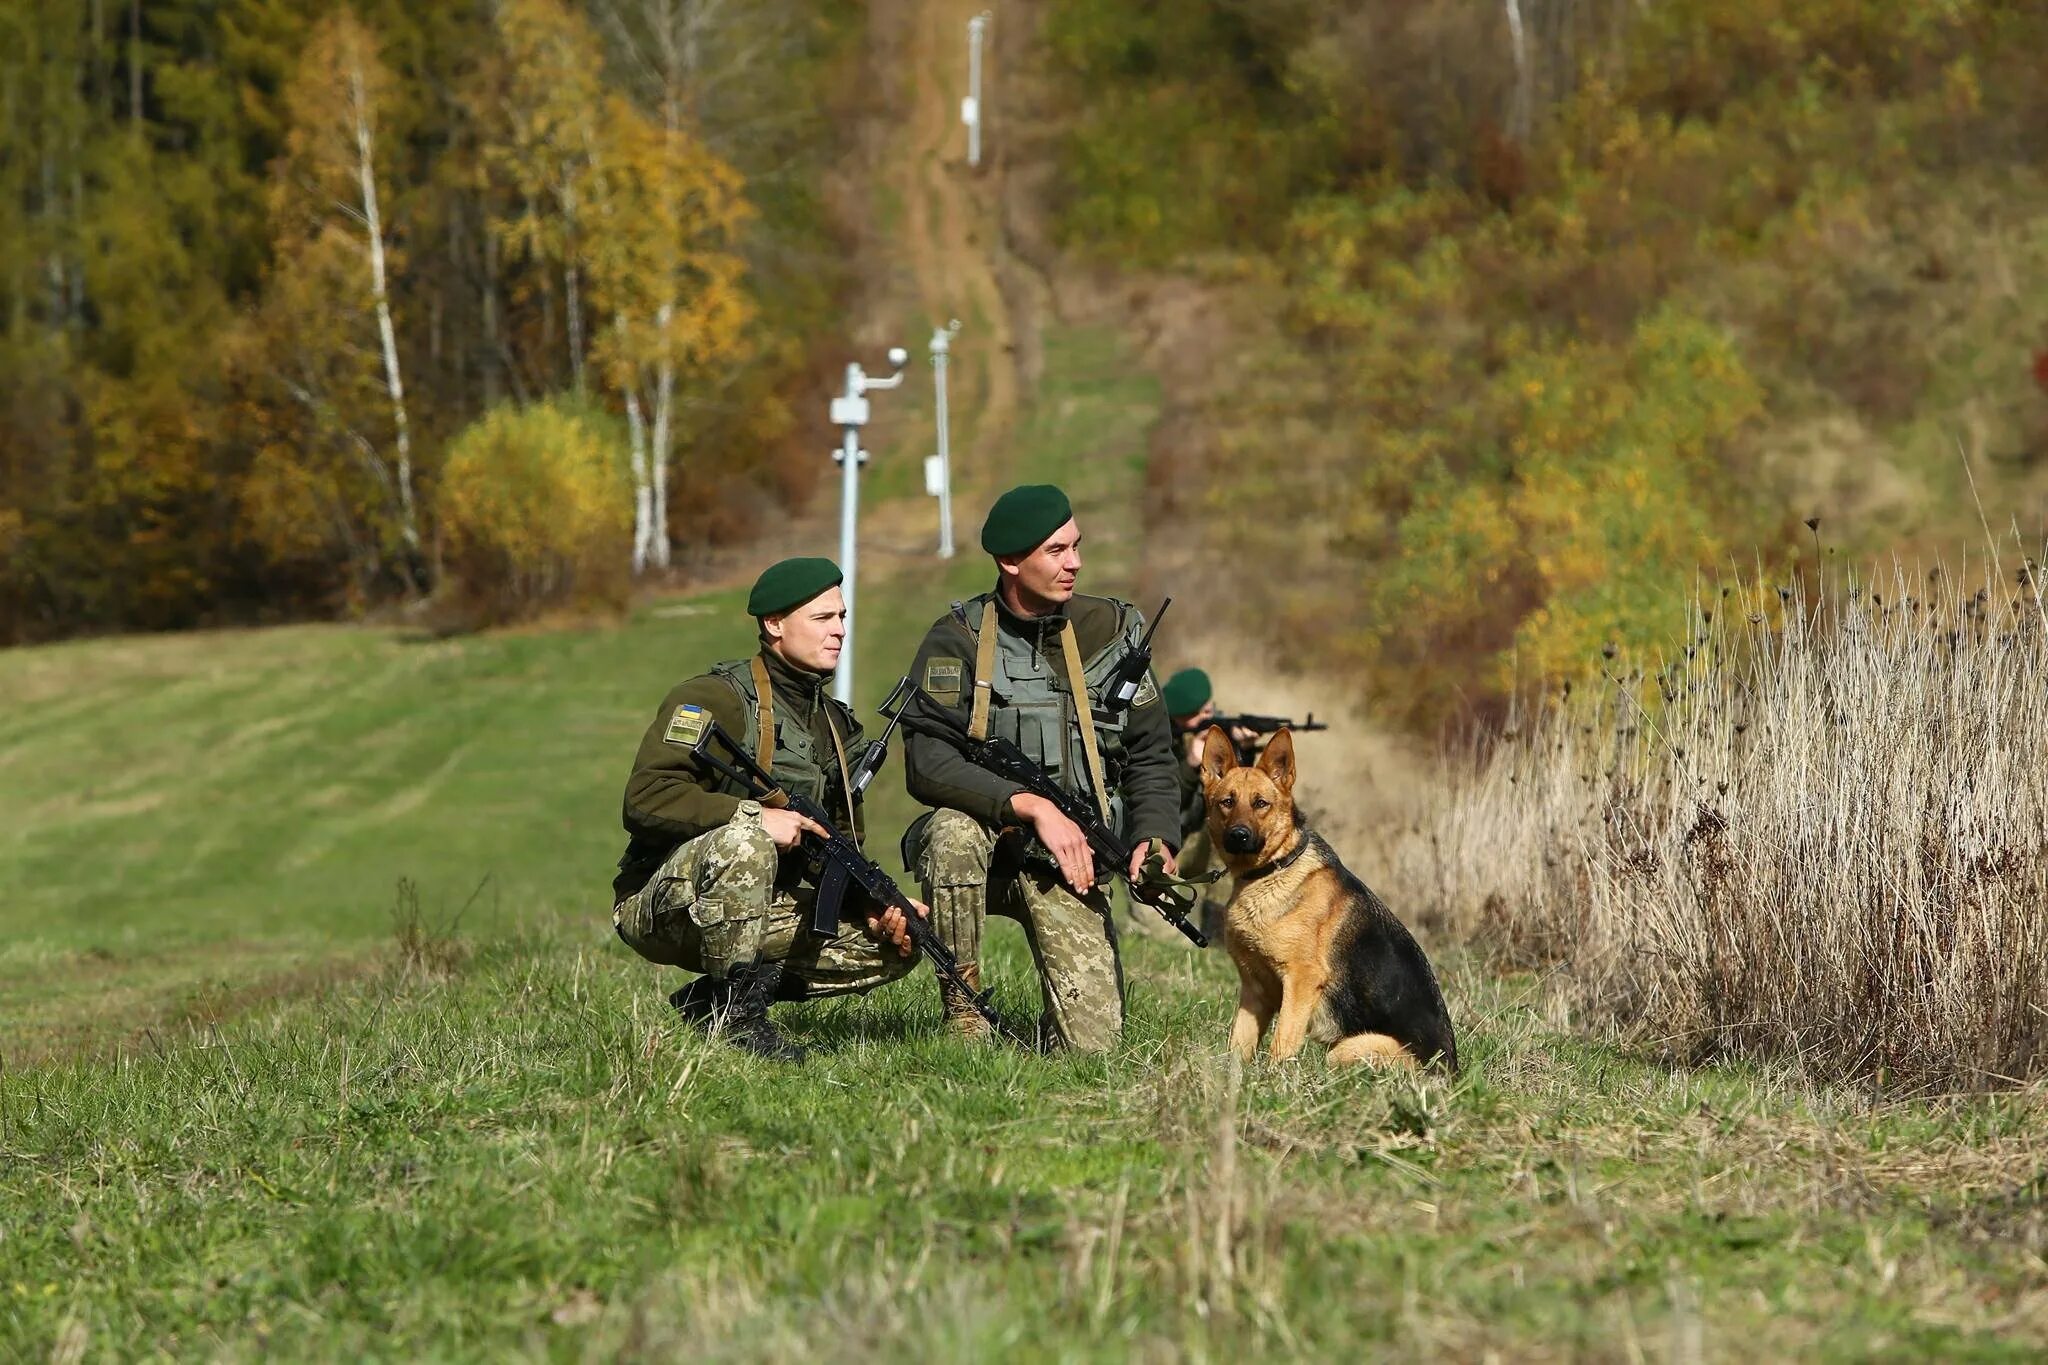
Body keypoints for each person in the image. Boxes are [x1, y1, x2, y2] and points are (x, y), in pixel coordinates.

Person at [902, 484, 1181, 1050]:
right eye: (1056, 551)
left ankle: (1034, 1031)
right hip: (988, 853)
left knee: (1093, 1048)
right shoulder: (957, 640)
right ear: (1010, 562)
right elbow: (927, 762)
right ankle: (964, 1013)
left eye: (1076, 546)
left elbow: (1152, 754)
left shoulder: (1112, 631)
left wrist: (1153, 837)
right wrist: (1029, 806)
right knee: (951, 832)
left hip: (1069, 865)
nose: (1074, 563)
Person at [611, 557, 924, 1062]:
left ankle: (712, 1002)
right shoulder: (714, 698)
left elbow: (838, 847)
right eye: (823, 619)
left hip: (758, 906)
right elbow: (646, 798)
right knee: (746, 840)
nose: (840, 632)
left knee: (899, 943)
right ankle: (739, 1024)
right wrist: (755, 817)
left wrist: (872, 904)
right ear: (774, 624)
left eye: (842, 618)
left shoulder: (836, 728)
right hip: (668, 904)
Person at [1159, 668, 1254, 943]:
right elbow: (1160, 800)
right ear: (1178, 716)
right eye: (1199, 715)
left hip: (1201, 842)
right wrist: (1190, 763)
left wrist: (1244, 750)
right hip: (1166, 846)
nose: (1208, 719)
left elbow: (1240, 800)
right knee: (1158, 934)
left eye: (1209, 710)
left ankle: (1219, 931)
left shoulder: (1218, 737)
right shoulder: (1158, 738)